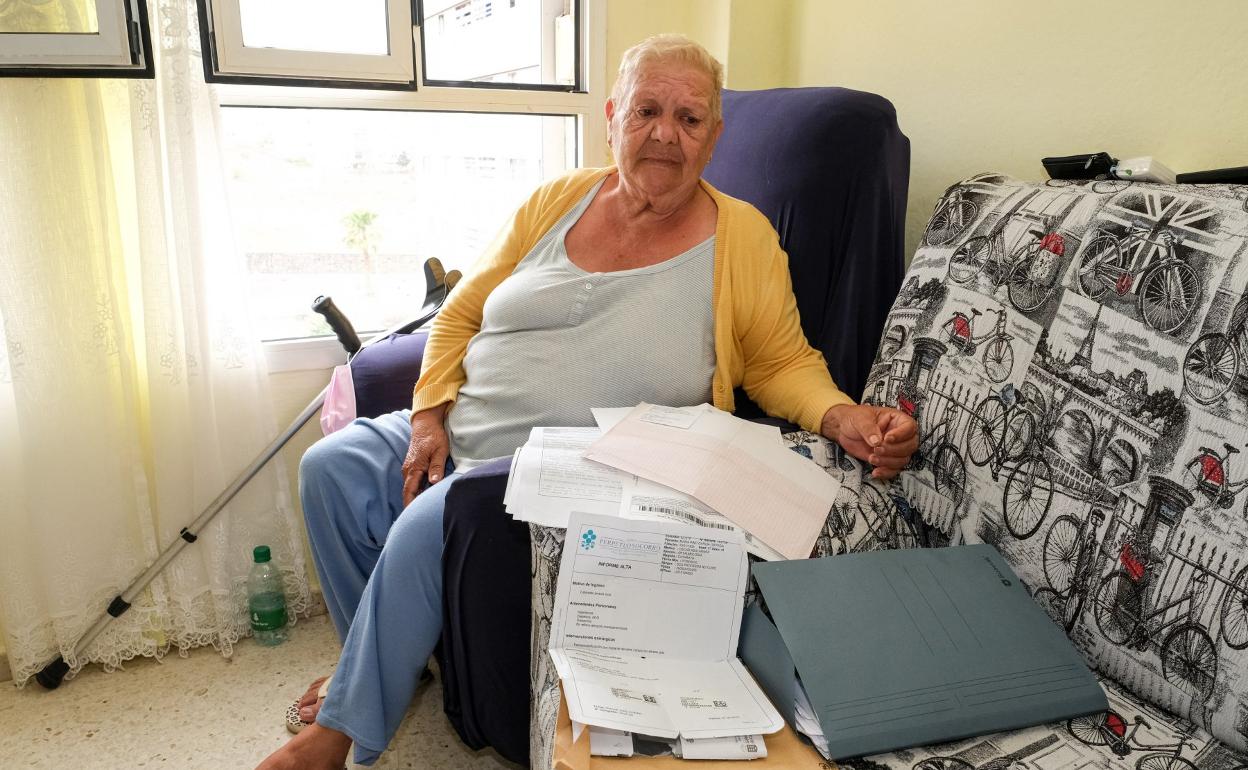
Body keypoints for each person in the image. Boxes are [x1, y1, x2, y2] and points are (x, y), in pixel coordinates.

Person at [257, 33, 918, 770]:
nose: (666, 133)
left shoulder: (744, 239)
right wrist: (426, 415)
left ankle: (339, 734)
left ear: (715, 136)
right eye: (647, 111)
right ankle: (382, 666)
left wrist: (841, 415)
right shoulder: (556, 200)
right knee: (331, 467)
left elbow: (782, 362)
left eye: (690, 119)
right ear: (613, 118)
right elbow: (462, 312)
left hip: (568, 460)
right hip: (469, 421)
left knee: (425, 524)